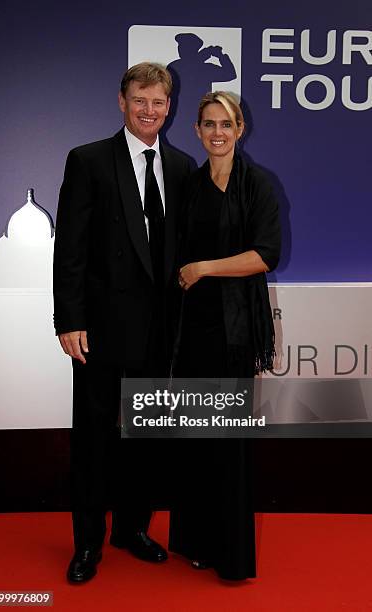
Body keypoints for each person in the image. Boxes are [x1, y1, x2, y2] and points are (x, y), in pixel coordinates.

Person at [53, 62, 193, 583]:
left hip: (159, 332)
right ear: (121, 101)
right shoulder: (88, 160)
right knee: (92, 438)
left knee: (146, 437)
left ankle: (131, 529)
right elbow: (69, 247)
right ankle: (87, 542)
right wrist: (69, 318)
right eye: (141, 100)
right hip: (101, 330)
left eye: (159, 102)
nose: (150, 110)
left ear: (169, 107)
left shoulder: (180, 167)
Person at [168, 91, 281, 580]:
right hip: (191, 330)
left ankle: (232, 557)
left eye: (226, 124)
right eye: (208, 124)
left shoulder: (257, 183)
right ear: (196, 131)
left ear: (240, 130)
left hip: (235, 332)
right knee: (195, 439)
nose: (217, 132)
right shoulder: (189, 186)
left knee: (227, 441)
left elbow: (266, 255)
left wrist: (204, 268)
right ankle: (198, 542)